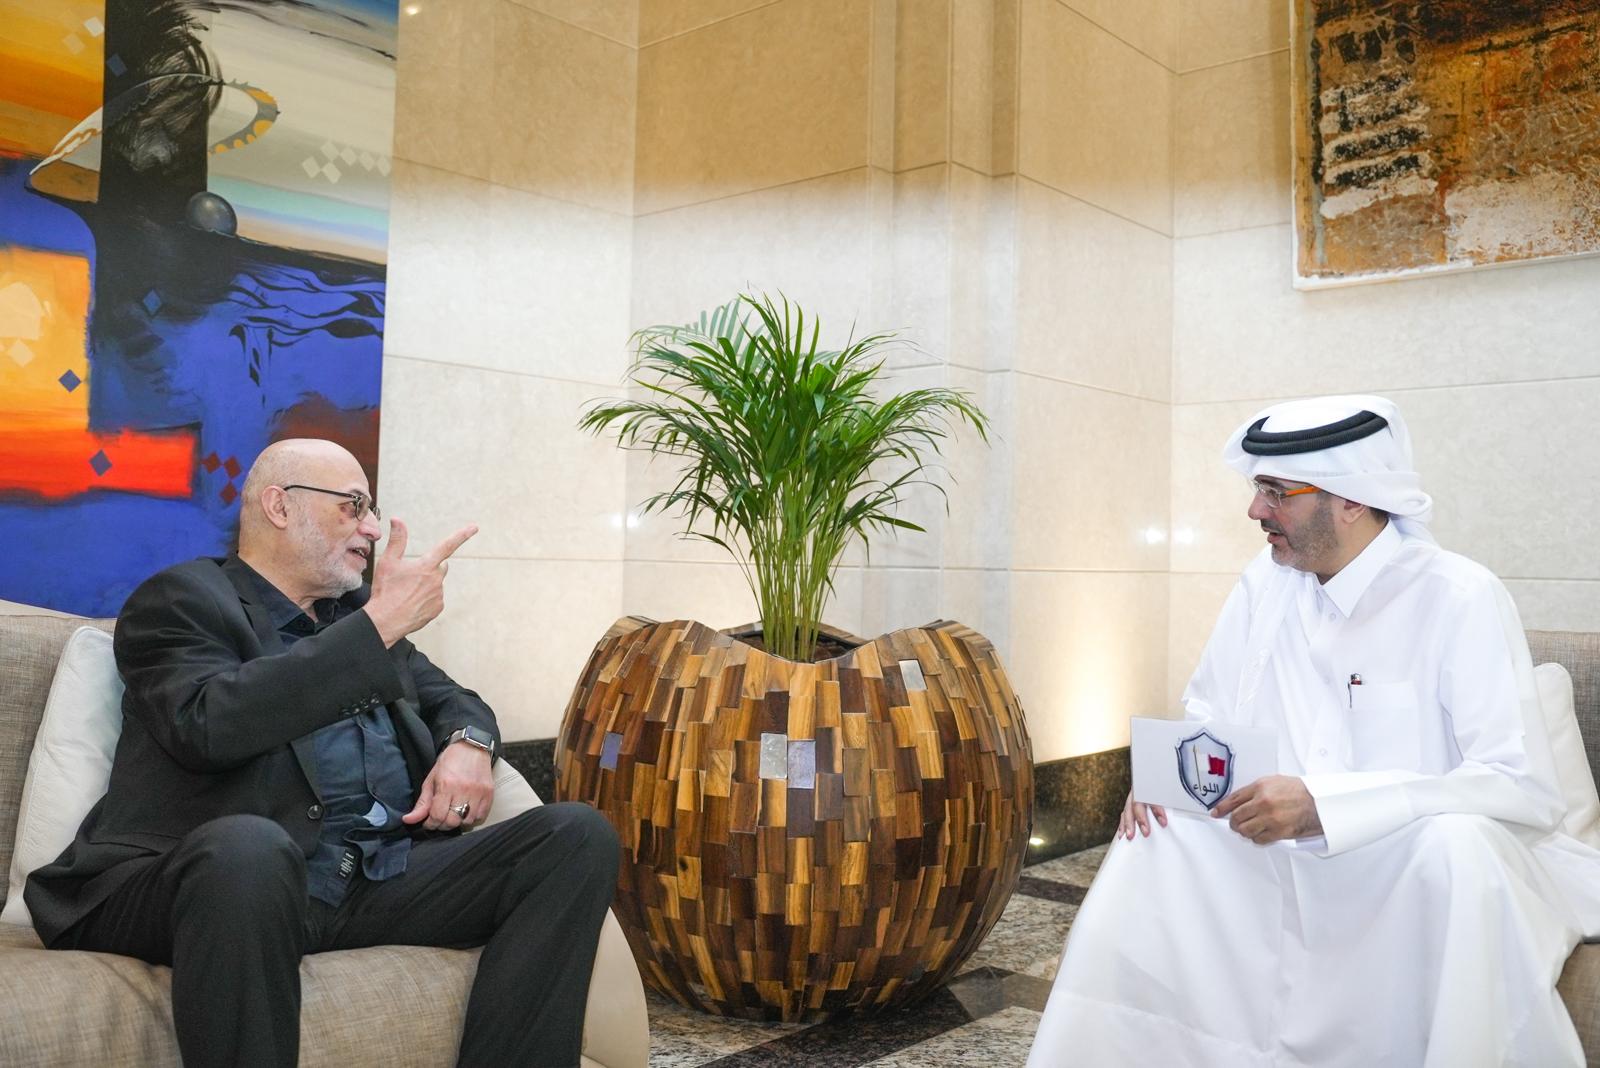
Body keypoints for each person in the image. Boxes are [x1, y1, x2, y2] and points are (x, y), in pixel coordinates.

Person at [1027, 396, 1600, 1067]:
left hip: (1402, 859)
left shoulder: (1459, 596)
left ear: (1351, 499)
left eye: (1277, 492)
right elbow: (1211, 716)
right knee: (1159, 833)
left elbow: (1520, 786)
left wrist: (1327, 806)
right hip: (1279, 847)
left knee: (1455, 846)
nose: (1255, 510)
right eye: (1258, 489)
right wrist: (1169, 781)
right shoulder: (1263, 585)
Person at [25, 438, 619, 1068]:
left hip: (366, 878)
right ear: (280, 506)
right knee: (249, 848)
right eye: (353, 506)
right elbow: (208, 726)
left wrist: (468, 747)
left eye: (370, 510)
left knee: (574, 836)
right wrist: (380, 625)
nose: (372, 528)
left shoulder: (352, 619)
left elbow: (456, 701)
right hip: (220, 881)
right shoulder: (182, 601)